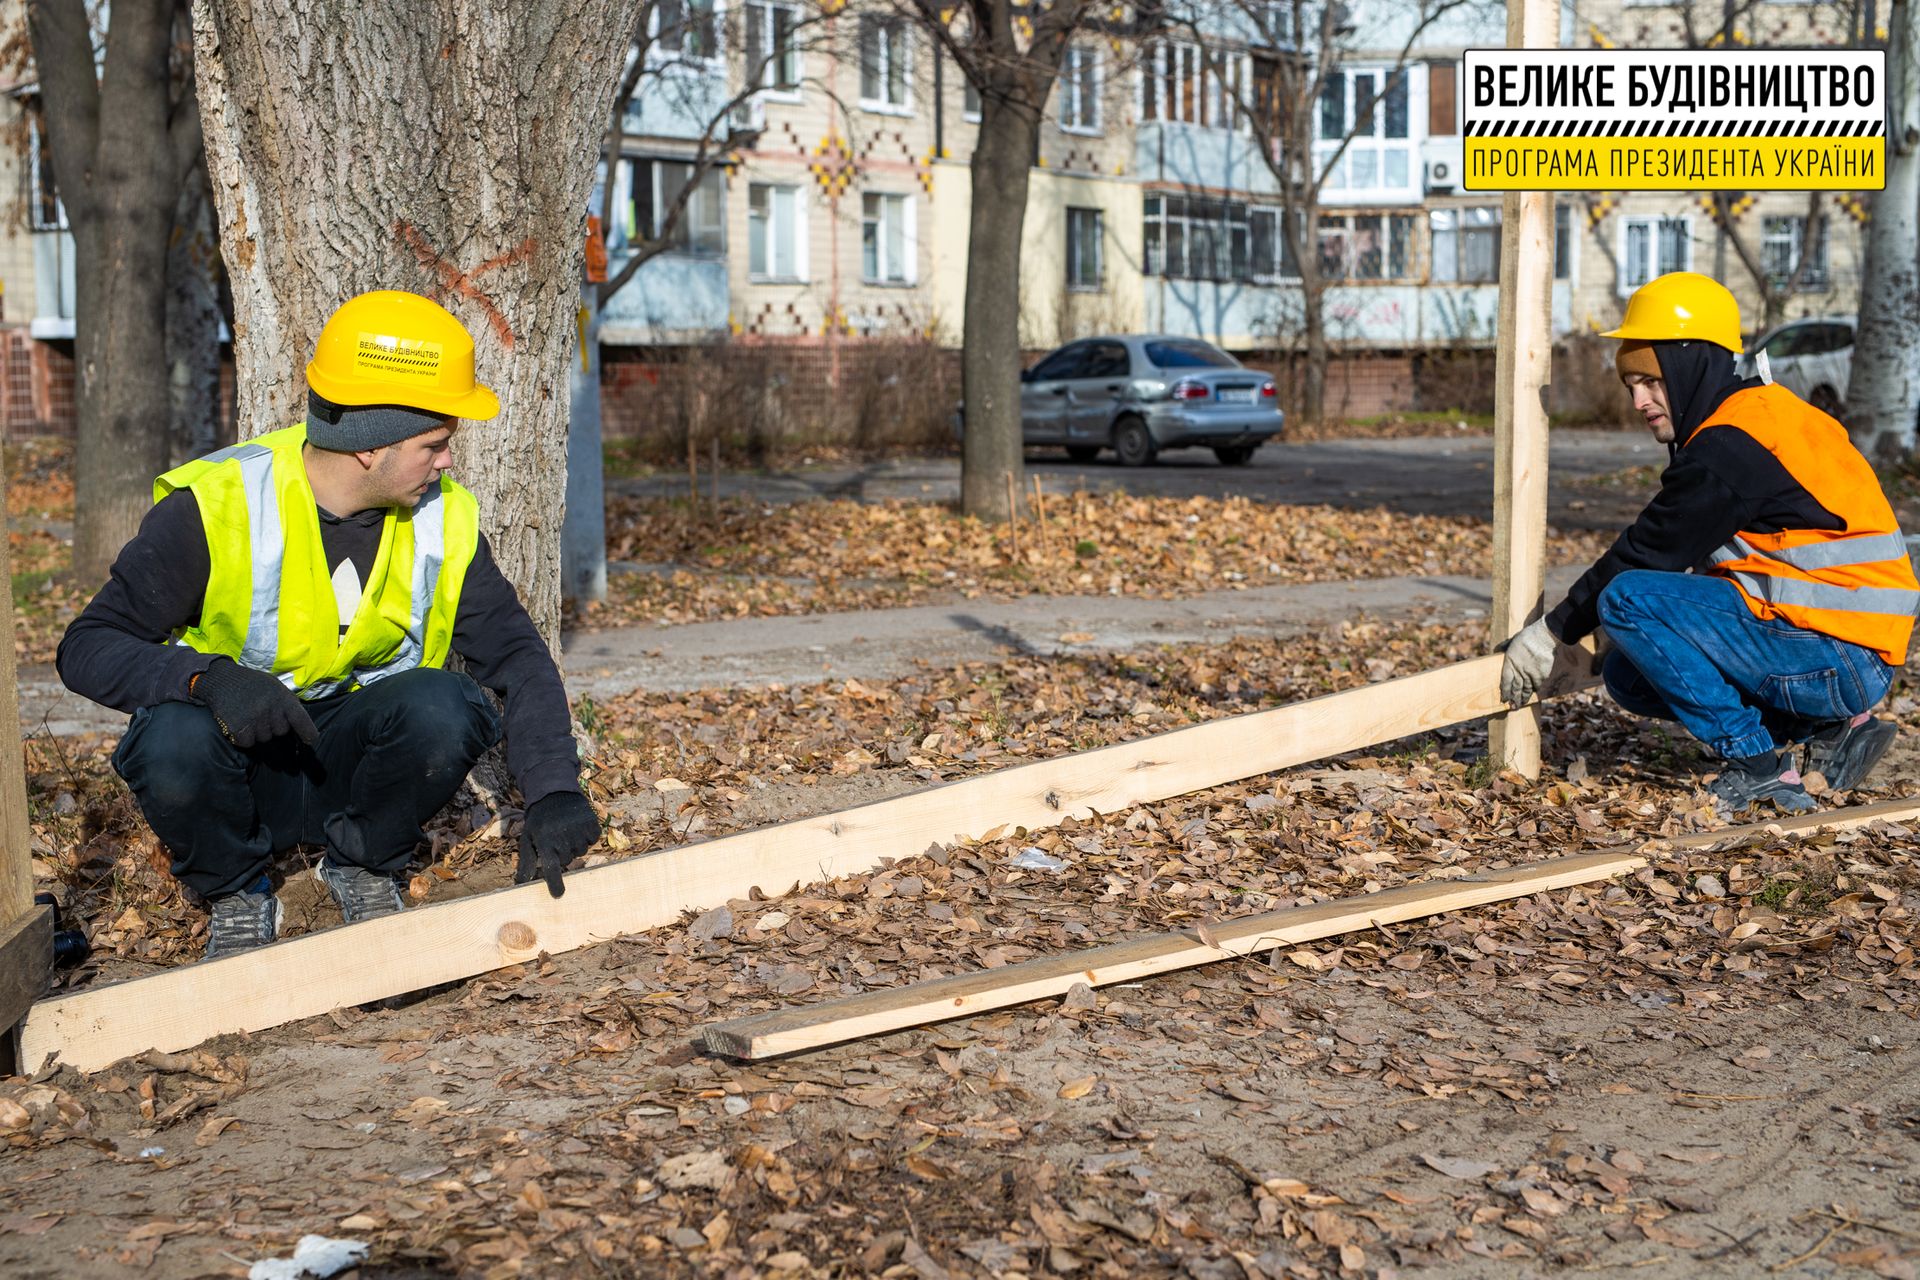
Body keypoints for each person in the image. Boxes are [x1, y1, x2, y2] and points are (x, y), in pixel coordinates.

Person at [58, 290, 603, 959]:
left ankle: (363, 867)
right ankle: (237, 892)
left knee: (447, 704)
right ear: (370, 446)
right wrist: (207, 679)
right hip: (237, 772)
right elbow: (86, 646)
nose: (447, 462)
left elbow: (517, 655)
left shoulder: (443, 519)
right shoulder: (222, 506)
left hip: (356, 774)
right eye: (434, 445)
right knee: (169, 736)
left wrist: (553, 789)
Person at [1499, 272, 1916, 816]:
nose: (1639, 401)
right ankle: (1830, 729)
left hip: (1837, 656)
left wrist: (1553, 632)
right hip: (1846, 652)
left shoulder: (1732, 444)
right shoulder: (1760, 415)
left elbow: (1649, 549)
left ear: (1689, 365)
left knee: (1626, 599)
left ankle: (1758, 766)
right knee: (1628, 677)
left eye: (1651, 381)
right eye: (1630, 386)